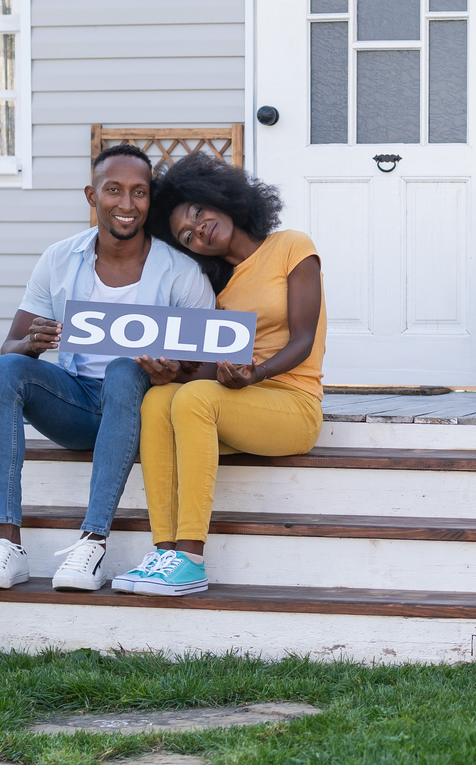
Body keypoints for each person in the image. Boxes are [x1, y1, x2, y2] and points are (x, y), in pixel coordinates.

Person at [0, 143, 216, 592]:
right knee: (0, 370)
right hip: (77, 402)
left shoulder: (181, 273)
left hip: (140, 408)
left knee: (125, 369)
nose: (126, 204)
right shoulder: (60, 259)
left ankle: (92, 544)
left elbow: (208, 373)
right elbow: (9, 345)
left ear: (150, 199)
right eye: (114, 190)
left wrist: (172, 373)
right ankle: (7, 544)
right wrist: (30, 343)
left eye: (139, 193)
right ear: (91, 195)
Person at [113, 155, 326, 596]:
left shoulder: (292, 246)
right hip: (243, 404)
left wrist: (255, 374)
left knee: (193, 400)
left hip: (294, 404)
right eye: (186, 237)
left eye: (197, 212)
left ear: (218, 197)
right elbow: (213, 368)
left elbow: (303, 339)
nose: (199, 230)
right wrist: (173, 370)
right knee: (158, 399)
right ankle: (164, 551)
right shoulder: (219, 292)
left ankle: (190, 559)